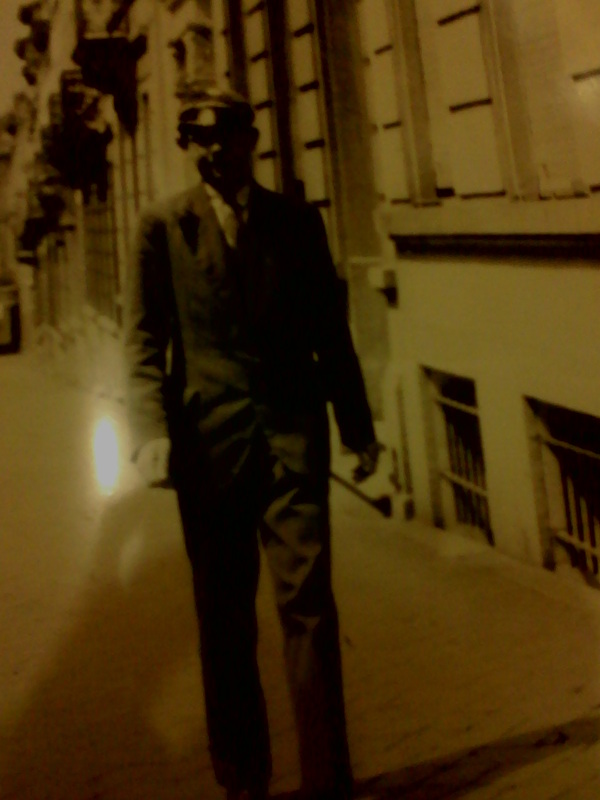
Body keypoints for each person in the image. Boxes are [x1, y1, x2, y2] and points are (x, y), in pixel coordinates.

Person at [124, 85, 379, 800]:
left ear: (251, 140)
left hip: (292, 439)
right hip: (208, 453)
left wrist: (357, 427)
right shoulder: (161, 227)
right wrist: (149, 432)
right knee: (225, 620)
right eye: (197, 139)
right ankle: (244, 781)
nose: (212, 151)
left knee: (310, 610)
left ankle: (327, 782)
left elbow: (331, 333)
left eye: (225, 136)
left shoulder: (296, 222)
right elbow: (142, 340)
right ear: (187, 146)